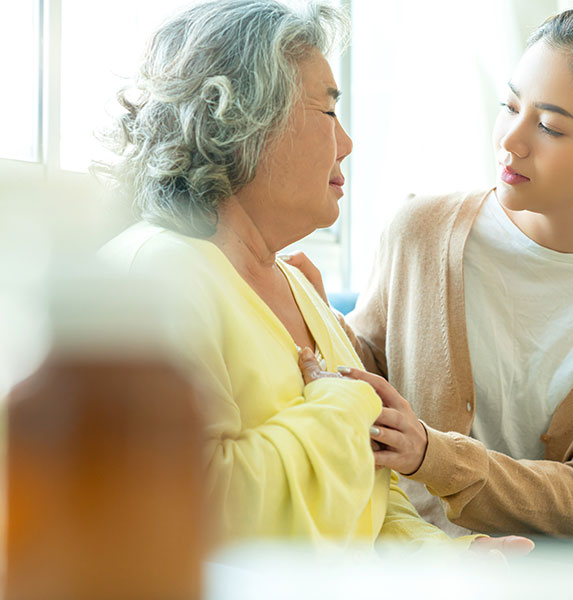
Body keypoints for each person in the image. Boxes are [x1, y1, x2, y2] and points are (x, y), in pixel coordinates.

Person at [97, 0, 532, 555]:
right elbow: (195, 508)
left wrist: (450, 562)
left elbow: (372, 496)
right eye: (328, 113)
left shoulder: (299, 285)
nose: (347, 143)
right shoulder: (153, 279)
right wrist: (346, 404)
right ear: (244, 119)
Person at [290, 4, 573, 545]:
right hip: (417, 549)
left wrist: (432, 454)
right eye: (509, 105)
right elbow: (371, 365)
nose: (511, 140)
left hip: (557, 564)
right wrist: (312, 313)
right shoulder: (420, 229)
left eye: (548, 126)